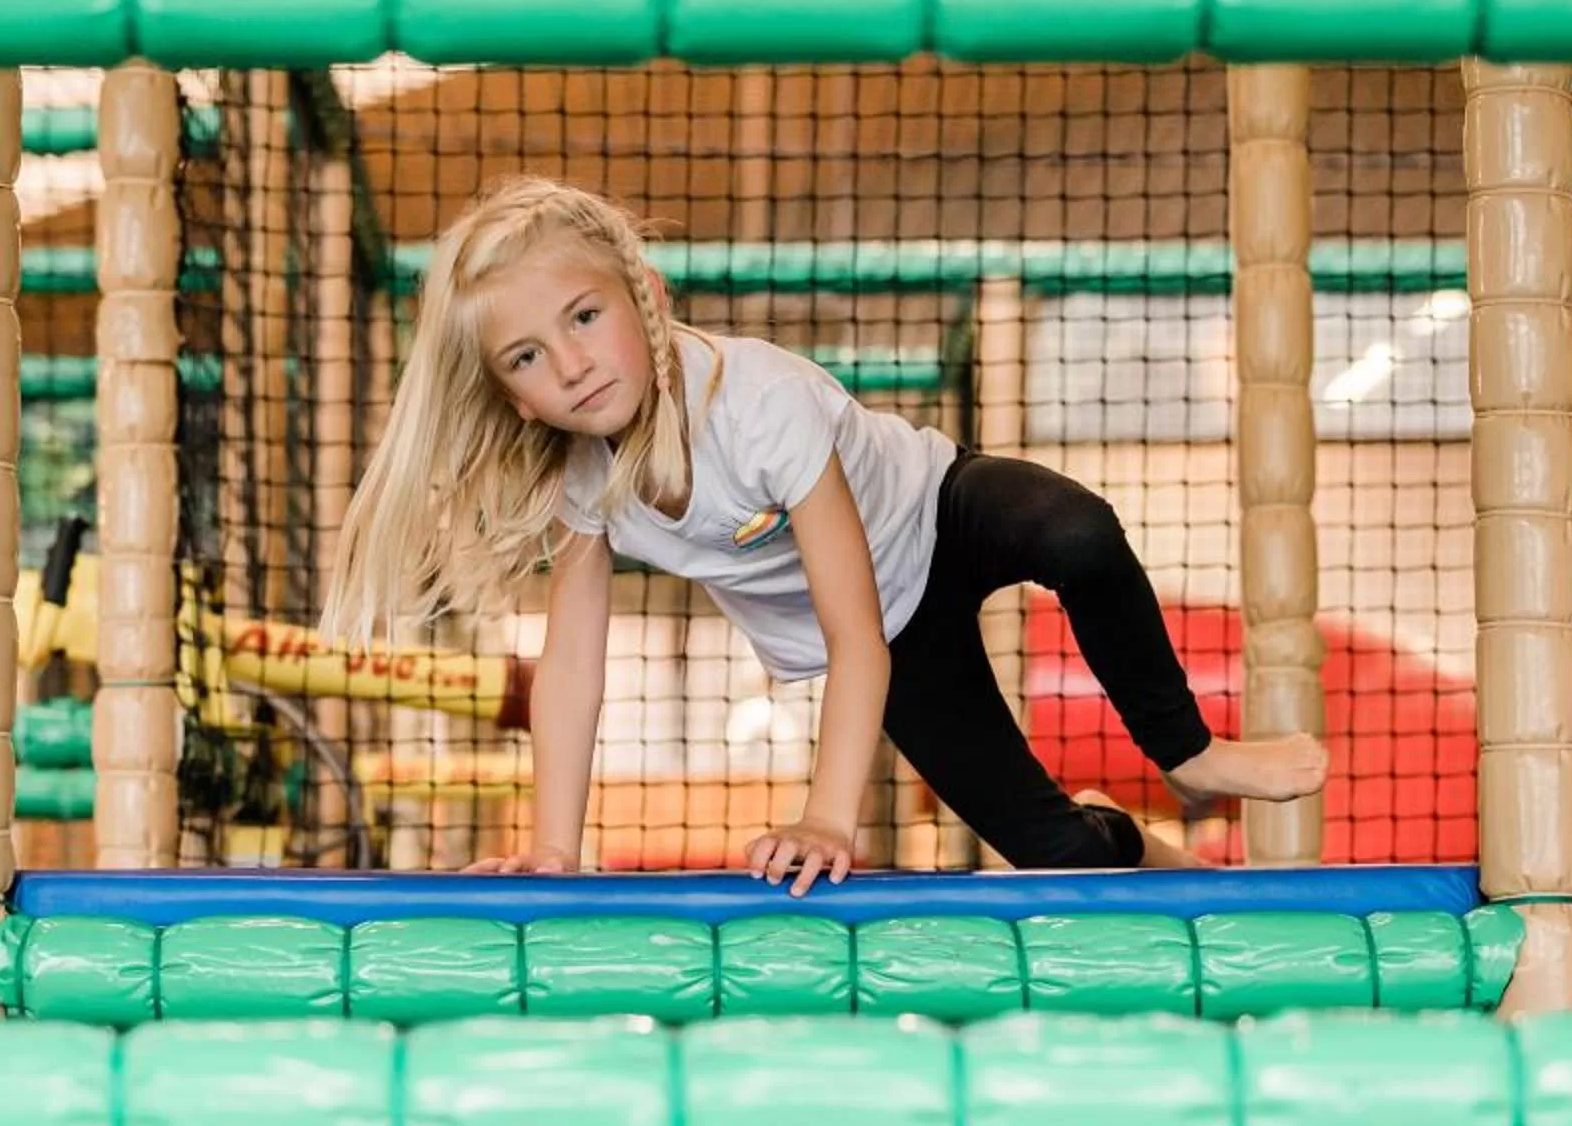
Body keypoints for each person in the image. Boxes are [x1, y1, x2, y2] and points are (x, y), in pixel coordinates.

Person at [324, 177, 1328, 896]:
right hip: (898, 636)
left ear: (643, 294)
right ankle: (1155, 852)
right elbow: (572, 663)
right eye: (530, 356)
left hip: (935, 509)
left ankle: (1192, 755)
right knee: (1052, 849)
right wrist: (553, 846)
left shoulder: (759, 402)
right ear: (516, 401)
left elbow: (846, 634)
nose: (574, 364)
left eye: (585, 316)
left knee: (1076, 530)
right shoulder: (584, 480)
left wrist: (827, 818)